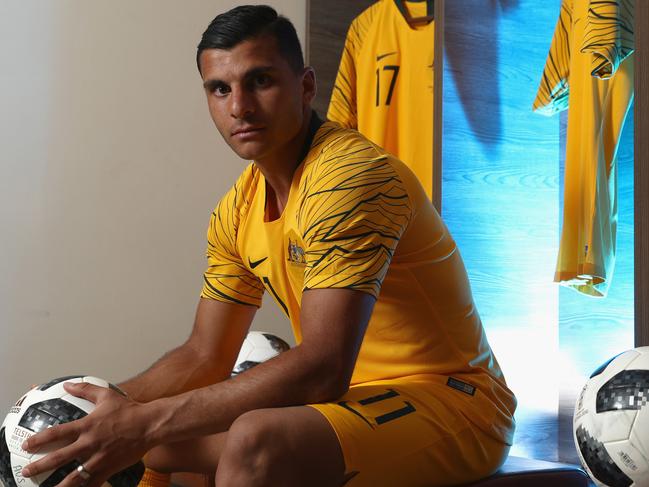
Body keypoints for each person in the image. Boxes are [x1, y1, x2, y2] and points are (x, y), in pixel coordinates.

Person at [20, 5, 516, 486]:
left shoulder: (348, 177)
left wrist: (144, 420)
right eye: (220, 88)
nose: (240, 106)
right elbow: (203, 354)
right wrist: (94, 414)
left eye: (260, 80)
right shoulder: (237, 210)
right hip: (353, 404)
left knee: (255, 439)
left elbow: (323, 367)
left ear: (305, 86)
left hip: (456, 402)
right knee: (156, 442)